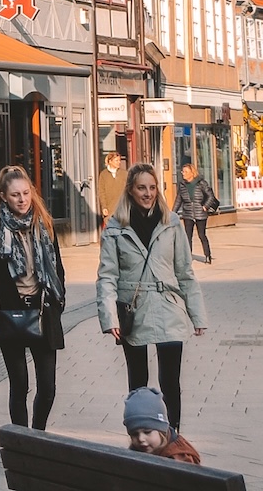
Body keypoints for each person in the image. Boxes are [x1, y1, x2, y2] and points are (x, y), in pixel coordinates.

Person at [97, 161, 206, 434]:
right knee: (138, 382)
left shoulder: (172, 222)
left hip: (169, 306)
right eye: (141, 188)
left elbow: (185, 272)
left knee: (170, 382)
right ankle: (140, 435)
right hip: (133, 310)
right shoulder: (116, 227)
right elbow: (107, 276)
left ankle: (173, 435)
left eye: (152, 187)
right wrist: (109, 317)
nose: (147, 193)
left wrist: (197, 315)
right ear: (131, 190)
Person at [0, 165, 66, 431]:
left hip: (43, 310)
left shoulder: (44, 223)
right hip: (10, 312)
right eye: (15, 194)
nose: (22, 199)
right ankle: (21, 438)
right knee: (19, 385)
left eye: (26, 193)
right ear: (3, 196)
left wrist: (58, 303)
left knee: (48, 388)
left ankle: (37, 433)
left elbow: (58, 269)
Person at [123, 385, 202, 463]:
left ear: (161, 430)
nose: (141, 438)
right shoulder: (136, 450)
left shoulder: (180, 459)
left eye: (147, 432)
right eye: (134, 434)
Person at [173, 162, 216, 264]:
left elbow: (211, 196)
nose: (183, 173)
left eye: (186, 171)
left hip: (200, 213)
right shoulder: (182, 185)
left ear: (192, 173)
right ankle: (188, 256)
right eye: (183, 171)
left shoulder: (201, 183)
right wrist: (173, 213)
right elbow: (178, 200)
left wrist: (205, 206)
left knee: (202, 235)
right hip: (187, 213)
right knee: (187, 236)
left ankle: (207, 255)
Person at [98, 151, 126, 223]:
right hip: (110, 208)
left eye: (119, 160)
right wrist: (104, 207)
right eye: (116, 160)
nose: (119, 162)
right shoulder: (104, 175)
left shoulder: (124, 174)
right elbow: (102, 192)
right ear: (110, 161)